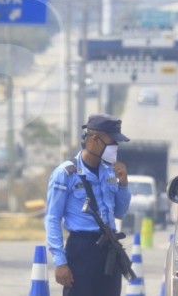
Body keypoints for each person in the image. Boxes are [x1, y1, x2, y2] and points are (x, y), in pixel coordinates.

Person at [45, 113, 132, 296]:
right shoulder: (66, 173)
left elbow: (120, 212)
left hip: (109, 249)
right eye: (112, 141)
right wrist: (60, 262)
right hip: (82, 250)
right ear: (94, 139)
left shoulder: (110, 172)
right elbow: (52, 219)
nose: (115, 147)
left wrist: (123, 184)